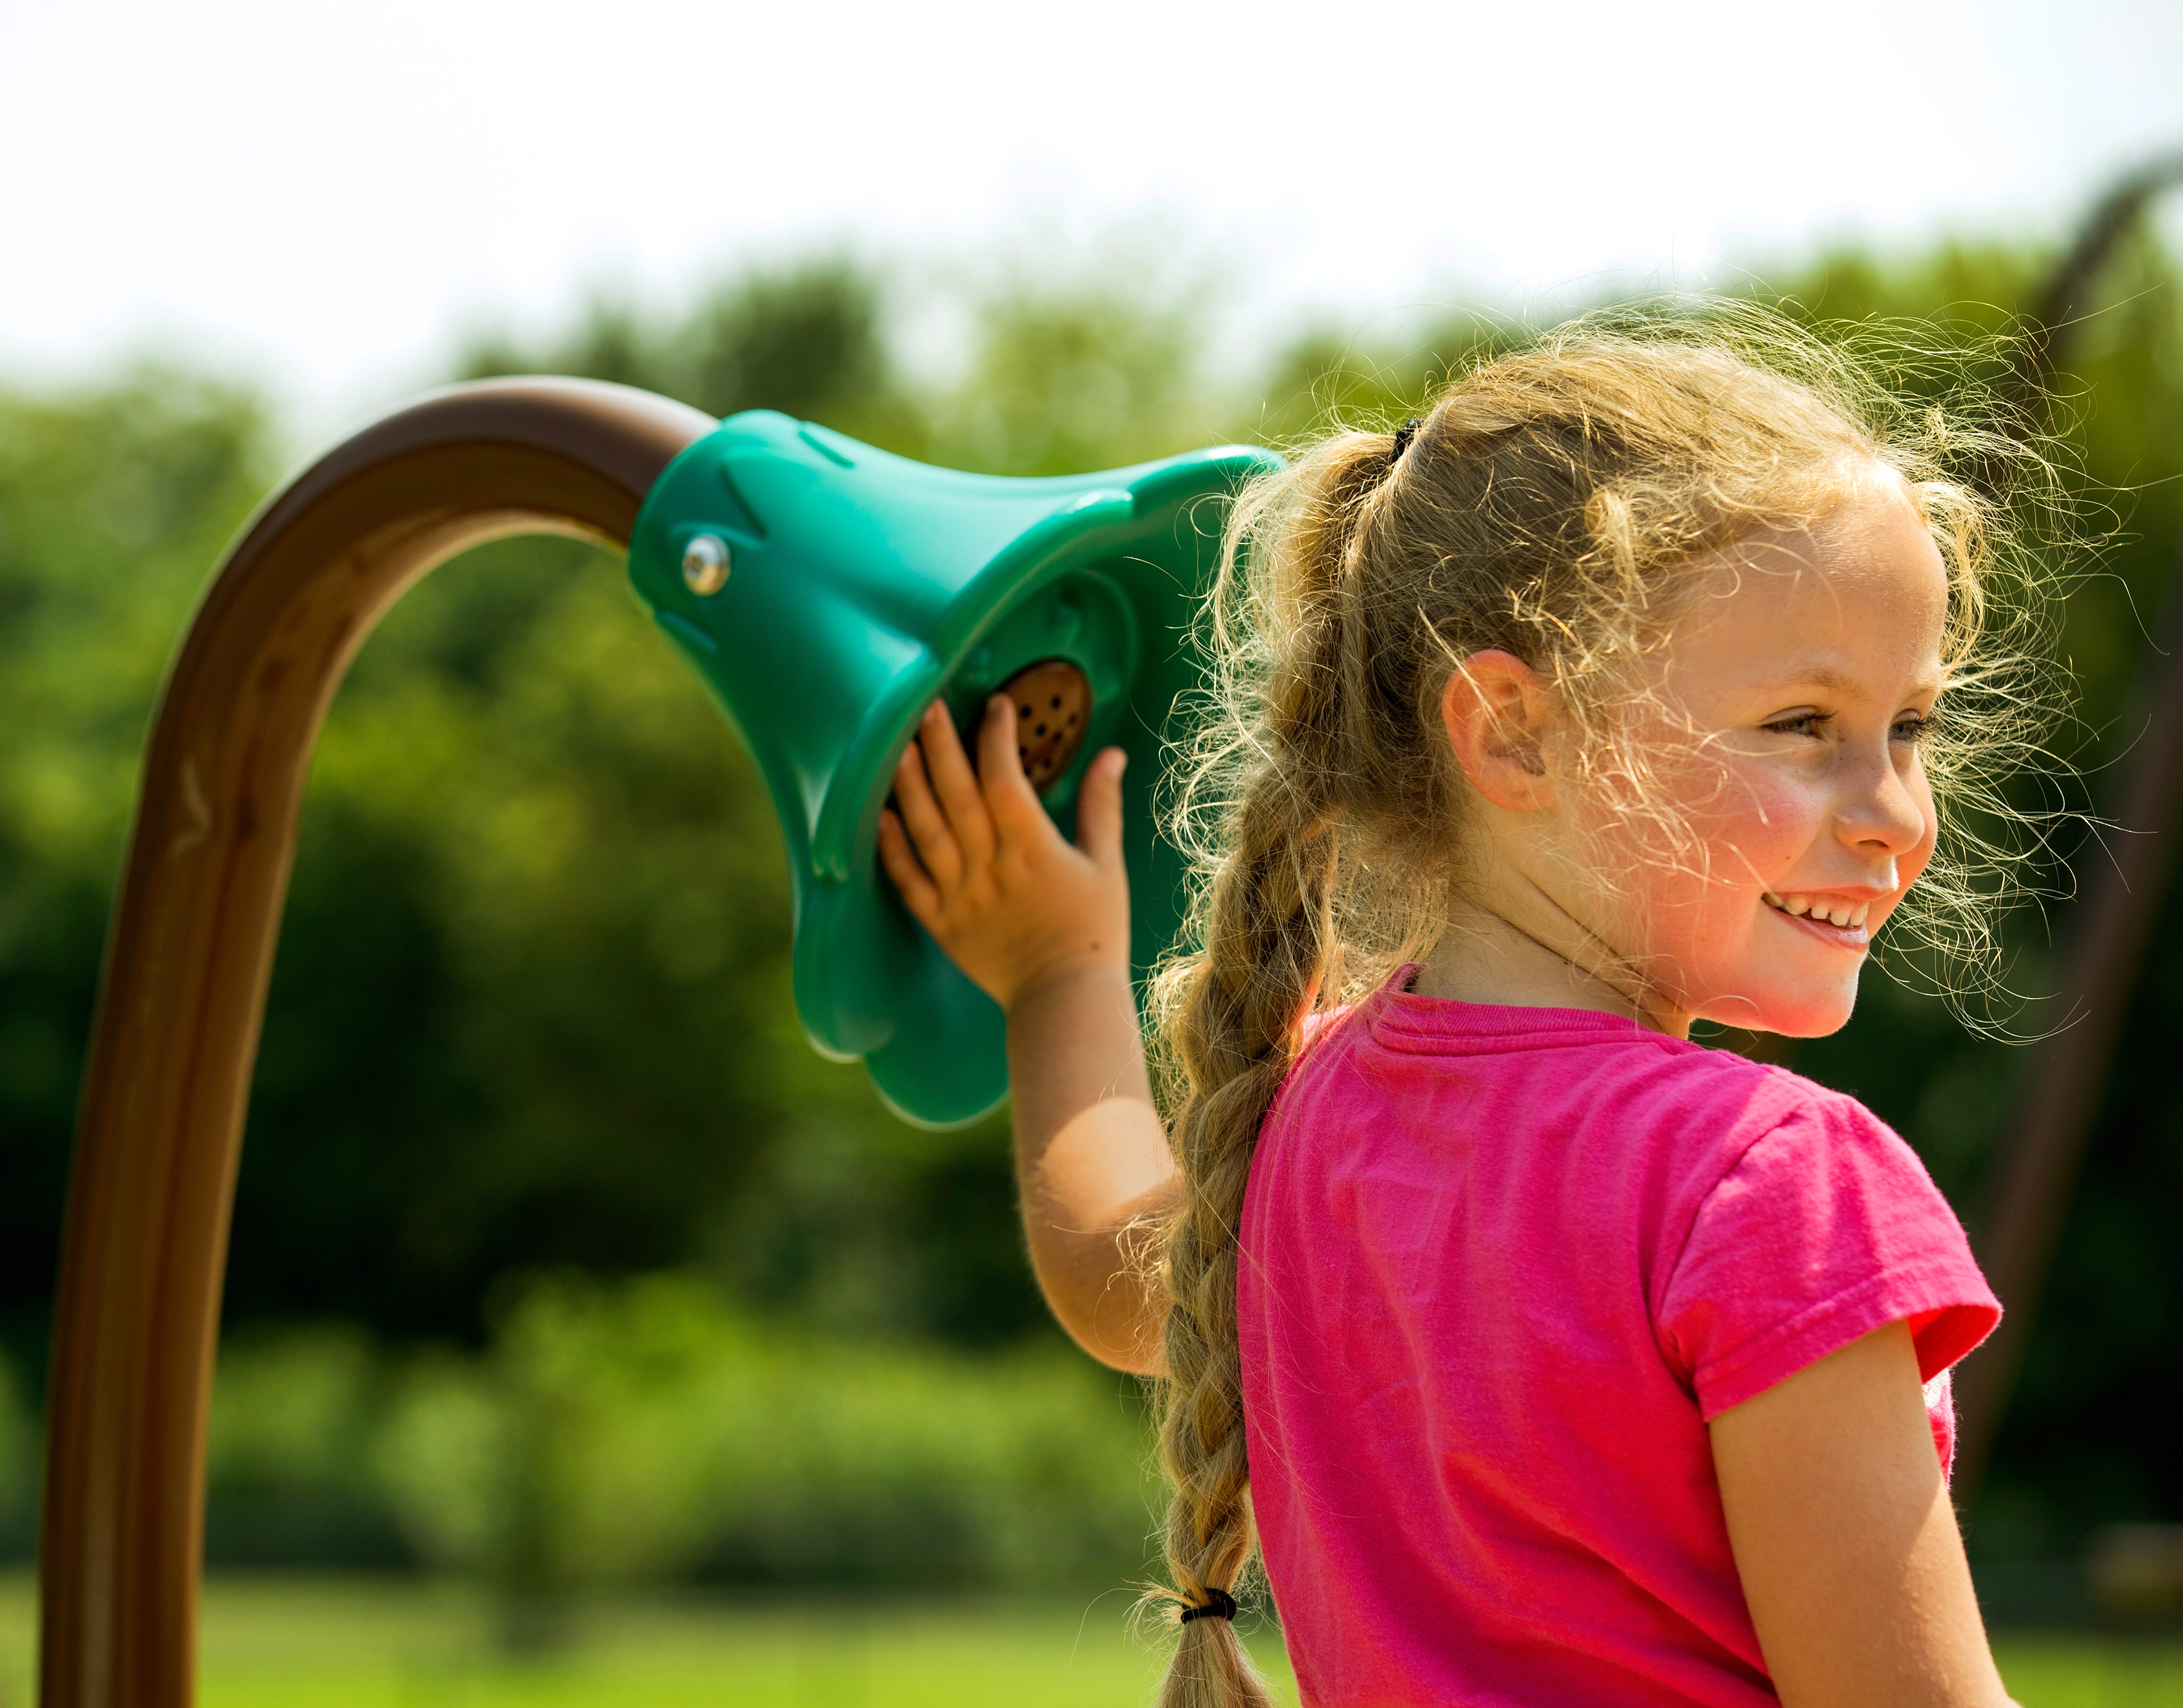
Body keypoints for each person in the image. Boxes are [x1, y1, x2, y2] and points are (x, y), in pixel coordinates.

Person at [877, 313, 2048, 1708]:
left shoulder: (1298, 1130)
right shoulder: (1777, 1185)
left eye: (1908, 727)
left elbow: (1104, 1260)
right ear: (1512, 734)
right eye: (1805, 726)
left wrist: (1056, 972)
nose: (1896, 816)